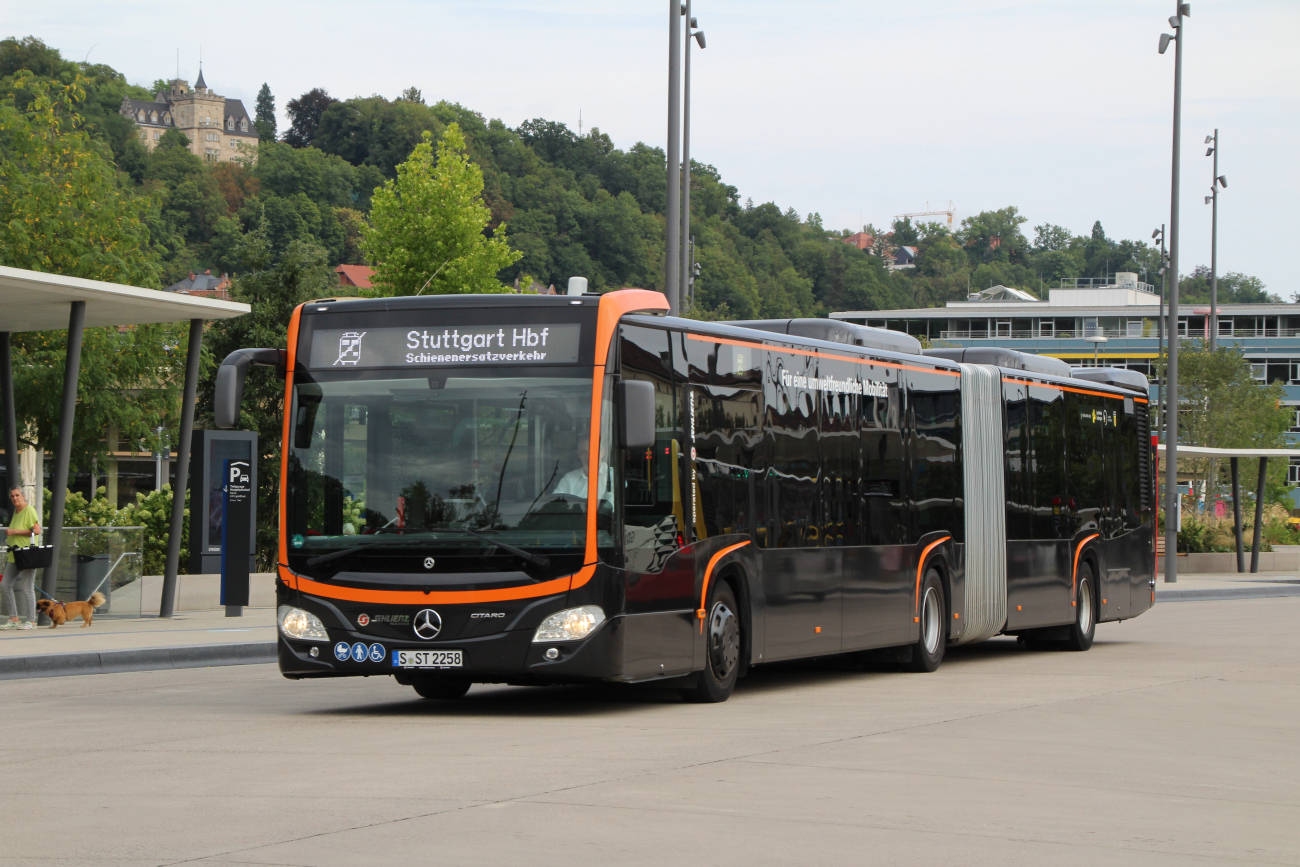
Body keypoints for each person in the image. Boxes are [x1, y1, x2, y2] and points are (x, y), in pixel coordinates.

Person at [1, 485, 40, 630]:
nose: (15, 498)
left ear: (23, 496)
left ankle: (31, 621)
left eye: (17, 495)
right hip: (14, 555)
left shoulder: (28, 510)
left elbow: (36, 530)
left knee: (27, 587)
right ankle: (14, 618)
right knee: (5, 584)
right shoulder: (16, 512)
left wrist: (14, 531)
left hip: (26, 555)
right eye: (12, 496)